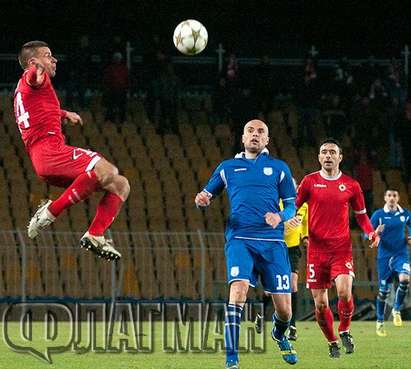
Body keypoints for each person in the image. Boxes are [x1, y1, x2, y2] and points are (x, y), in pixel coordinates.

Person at [195, 119, 298, 368]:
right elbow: (207, 194)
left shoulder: (279, 168)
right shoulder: (227, 167)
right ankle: (232, 358)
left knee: (285, 312)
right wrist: (202, 200)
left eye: (260, 131)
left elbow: (292, 205)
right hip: (240, 239)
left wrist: (280, 216)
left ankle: (279, 333)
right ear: (242, 138)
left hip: (272, 243)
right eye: (250, 131)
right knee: (238, 291)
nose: (255, 134)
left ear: (267, 140)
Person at [13, 41, 130, 261]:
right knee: (106, 169)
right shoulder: (36, 76)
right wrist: (37, 69)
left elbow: (39, 110)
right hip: (50, 152)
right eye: (48, 55)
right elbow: (34, 76)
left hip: (44, 158)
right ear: (33, 62)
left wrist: (64, 113)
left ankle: (95, 235)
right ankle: (49, 212)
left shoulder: (23, 90)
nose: (54, 59)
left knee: (121, 184)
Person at [293, 138, 383, 358]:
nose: (328, 155)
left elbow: (361, 217)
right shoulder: (309, 182)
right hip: (316, 250)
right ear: (319, 157)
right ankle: (332, 341)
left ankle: (344, 329)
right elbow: (293, 206)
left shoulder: (352, 185)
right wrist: (289, 218)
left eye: (332, 152)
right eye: (324, 152)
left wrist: (371, 232)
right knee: (321, 304)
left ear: (340, 157)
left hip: (341, 249)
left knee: (344, 292)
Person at [254, 184, 309, 342]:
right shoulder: (276, 203)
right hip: (275, 247)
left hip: (292, 249)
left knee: (292, 284)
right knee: (271, 291)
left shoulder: (304, 205)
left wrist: (305, 237)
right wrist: (282, 225)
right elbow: (266, 222)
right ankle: (261, 315)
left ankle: (292, 326)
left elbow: (305, 223)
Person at [370, 189, 411, 336]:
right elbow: (366, 232)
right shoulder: (378, 215)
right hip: (384, 257)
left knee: (405, 279)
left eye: (394, 195)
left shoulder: (405, 214)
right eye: (389, 195)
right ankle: (380, 322)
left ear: (398, 198)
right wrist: (376, 234)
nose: (392, 198)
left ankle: (397, 309)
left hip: (401, 253)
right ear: (385, 198)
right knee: (383, 292)